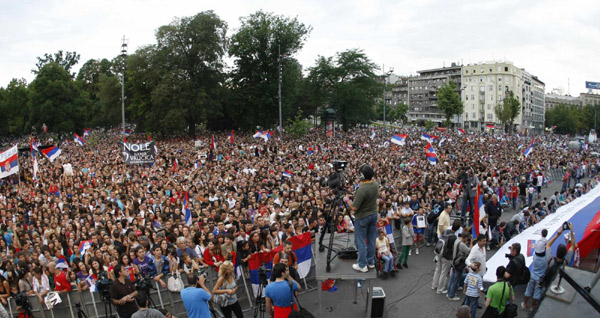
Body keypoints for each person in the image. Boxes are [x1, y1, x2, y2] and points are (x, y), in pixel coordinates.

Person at [345, 164, 379, 273]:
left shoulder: (362, 189)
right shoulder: (375, 184)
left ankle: (362, 265)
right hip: (373, 215)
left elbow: (354, 207)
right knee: (372, 240)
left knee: (361, 241)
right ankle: (370, 262)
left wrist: (347, 200)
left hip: (362, 217)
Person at [447, 232, 471, 301]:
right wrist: (472, 242)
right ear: (466, 238)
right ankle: (451, 295)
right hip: (459, 263)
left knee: (452, 279)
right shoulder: (462, 245)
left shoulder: (457, 241)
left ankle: (449, 292)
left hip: (454, 262)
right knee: (456, 279)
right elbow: (469, 251)